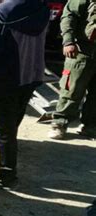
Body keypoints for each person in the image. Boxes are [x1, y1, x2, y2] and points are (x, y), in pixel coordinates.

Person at [0, 0, 50, 186]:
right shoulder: (40, 8)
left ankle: (3, 174)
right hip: (30, 76)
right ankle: (5, 167)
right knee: (11, 125)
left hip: (2, 81)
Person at [48, 0, 96, 139]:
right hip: (82, 50)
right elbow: (69, 16)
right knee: (72, 89)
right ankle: (59, 123)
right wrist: (68, 41)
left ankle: (90, 126)